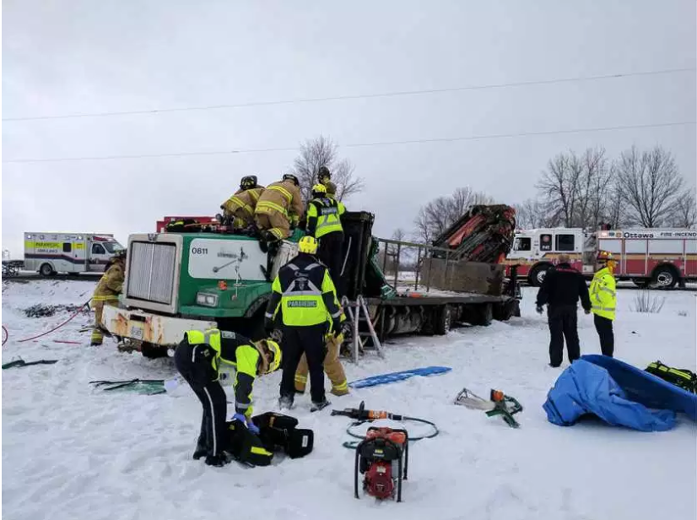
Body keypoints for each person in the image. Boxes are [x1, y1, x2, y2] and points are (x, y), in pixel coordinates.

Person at [173, 329, 281, 467]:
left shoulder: (246, 346)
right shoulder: (252, 352)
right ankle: (214, 455)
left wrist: (247, 417)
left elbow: (239, 386)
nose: (261, 372)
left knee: (211, 403)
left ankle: (204, 448)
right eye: (265, 370)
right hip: (195, 354)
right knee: (217, 403)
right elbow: (244, 383)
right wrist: (241, 413)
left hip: (189, 353)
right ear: (268, 358)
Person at [265, 235, 344, 412]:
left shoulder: (284, 271)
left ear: (299, 249)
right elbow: (330, 300)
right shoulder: (321, 271)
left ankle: (286, 398)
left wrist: (268, 321)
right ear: (315, 250)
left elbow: (274, 299)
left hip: (291, 326)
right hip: (314, 327)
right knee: (316, 365)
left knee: (290, 364)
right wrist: (337, 322)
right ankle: (318, 400)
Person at [536, 254, 591, 367]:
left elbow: (545, 289)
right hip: (571, 308)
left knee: (556, 335)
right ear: (569, 261)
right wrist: (587, 306)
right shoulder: (576, 273)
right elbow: (584, 292)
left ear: (558, 261)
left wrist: (540, 303)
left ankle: (555, 361)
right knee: (572, 335)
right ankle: (575, 359)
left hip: (555, 308)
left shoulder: (552, 272)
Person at [306, 183, 346, 297]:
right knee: (336, 264)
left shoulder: (314, 204)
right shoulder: (333, 202)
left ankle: (324, 290)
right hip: (338, 236)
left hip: (324, 237)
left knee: (324, 263)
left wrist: (310, 237)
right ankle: (335, 292)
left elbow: (312, 223)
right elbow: (344, 211)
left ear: (314, 194)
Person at [295, 326, 349, 397]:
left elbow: (337, 317)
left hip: (328, 337)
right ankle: (297, 388)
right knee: (302, 362)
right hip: (309, 334)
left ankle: (340, 389)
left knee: (330, 363)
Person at [254, 173, 305, 243]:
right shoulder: (293, 188)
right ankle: (267, 235)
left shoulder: (272, 184)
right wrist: (302, 219)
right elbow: (299, 208)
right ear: (295, 183)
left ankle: (261, 231)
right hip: (274, 210)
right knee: (284, 230)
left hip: (259, 209)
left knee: (269, 227)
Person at [90, 250, 126, 346]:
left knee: (100, 322)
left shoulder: (115, 267)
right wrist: (123, 289)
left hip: (101, 298)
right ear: (122, 259)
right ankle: (118, 340)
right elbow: (111, 282)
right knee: (114, 319)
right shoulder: (117, 268)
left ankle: (95, 343)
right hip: (105, 299)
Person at [590, 250, 617, 357]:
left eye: (599, 262)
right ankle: (606, 356)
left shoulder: (606, 277)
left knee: (606, 337)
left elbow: (604, 297)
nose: (596, 264)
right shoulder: (601, 276)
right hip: (599, 312)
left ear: (605, 263)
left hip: (603, 313)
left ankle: (607, 357)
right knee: (604, 337)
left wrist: (590, 299)